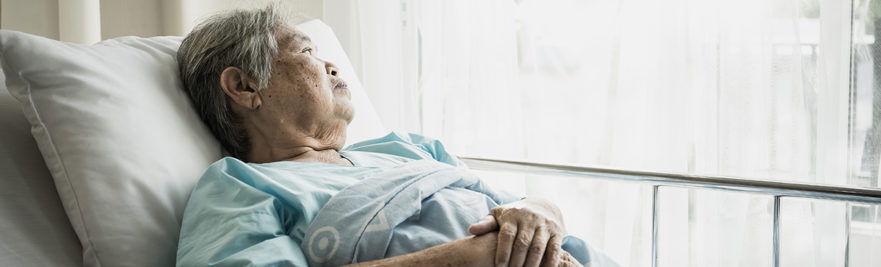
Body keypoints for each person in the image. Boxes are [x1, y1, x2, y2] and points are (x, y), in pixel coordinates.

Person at [175, 6, 613, 267]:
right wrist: (472, 258)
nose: (332, 66)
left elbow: (512, 206)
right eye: (306, 51)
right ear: (245, 87)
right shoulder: (237, 186)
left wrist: (539, 208)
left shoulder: (409, 148)